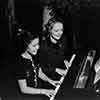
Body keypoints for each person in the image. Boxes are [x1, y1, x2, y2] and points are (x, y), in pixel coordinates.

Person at [15, 33, 55, 98]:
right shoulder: (20, 63)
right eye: (34, 45)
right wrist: (43, 91)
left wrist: (50, 81)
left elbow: (39, 72)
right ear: (25, 46)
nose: (37, 47)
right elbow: (24, 89)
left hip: (37, 90)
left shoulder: (34, 55)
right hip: (27, 95)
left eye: (38, 44)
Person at [39, 17, 71, 87]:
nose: (60, 33)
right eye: (56, 31)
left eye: (61, 30)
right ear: (50, 30)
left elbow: (63, 55)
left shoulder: (64, 40)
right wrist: (56, 70)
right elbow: (41, 68)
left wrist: (65, 60)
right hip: (48, 79)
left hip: (62, 72)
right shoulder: (43, 46)